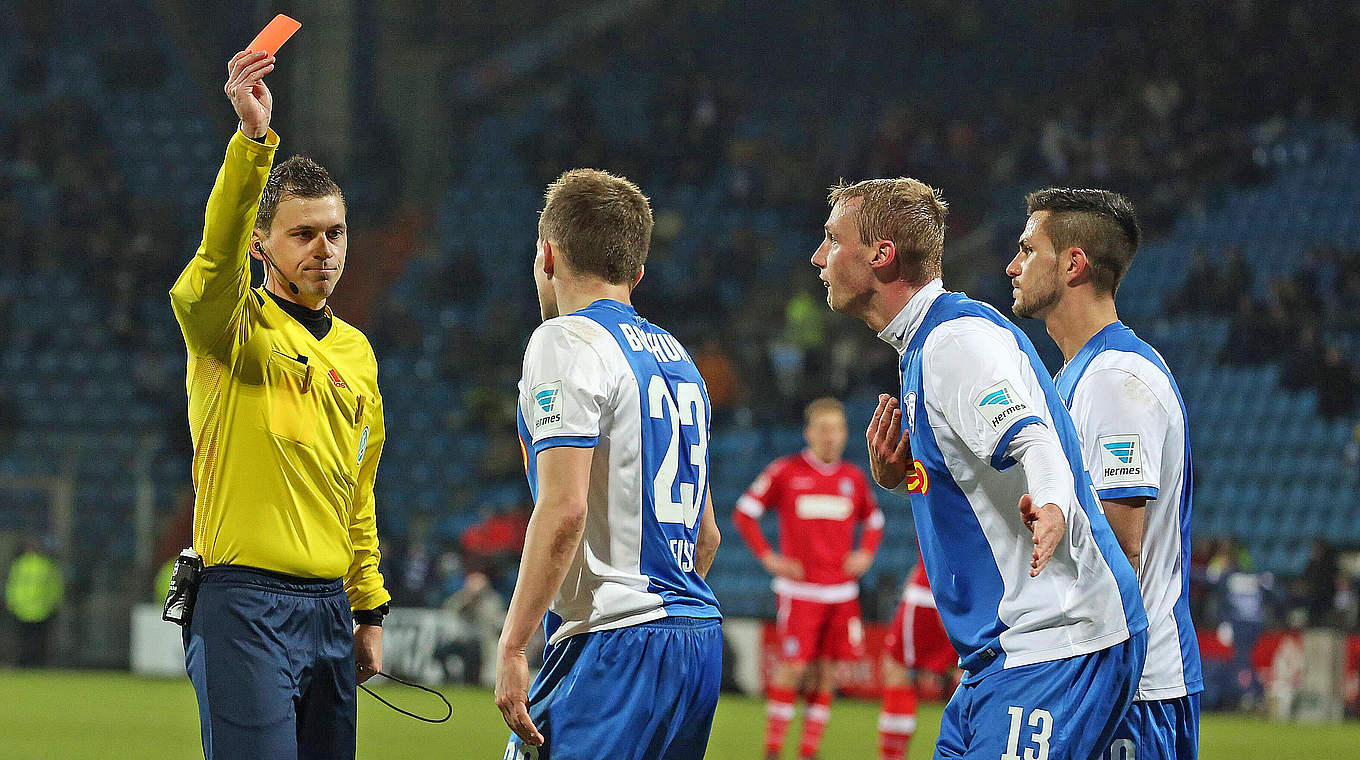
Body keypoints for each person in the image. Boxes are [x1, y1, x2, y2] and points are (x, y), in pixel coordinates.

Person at [811, 178, 1147, 760]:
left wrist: (1050, 503)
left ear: (882, 255)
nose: (819, 257)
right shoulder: (921, 348)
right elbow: (964, 482)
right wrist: (905, 477)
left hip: (1055, 641)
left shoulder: (954, 343)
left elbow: (1032, 441)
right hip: (1000, 657)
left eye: (832, 239)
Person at [168, 50, 389, 759]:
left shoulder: (357, 353)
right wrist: (253, 145)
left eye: (335, 232)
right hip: (242, 606)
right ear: (262, 244)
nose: (324, 249)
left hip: (330, 611)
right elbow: (213, 260)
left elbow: (357, 490)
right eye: (303, 234)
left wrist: (368, 607)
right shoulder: (224, 328)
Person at [496, 169, 724, 760]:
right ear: (636, 273)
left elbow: (564, 508)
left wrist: (514, 646)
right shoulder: (679, 362)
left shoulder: (563, 340)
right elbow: (706, 532)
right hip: (694, 640)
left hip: (617, 645)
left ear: (548, 254)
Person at [1007, 187, 1203, 759]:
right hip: (1100, 673)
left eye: (1028, 248)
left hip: (1132, 689)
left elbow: (1122, 544)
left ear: (1072, 264)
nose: (1012, 266)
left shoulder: (1117, 380)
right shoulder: (1075, 376)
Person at [732, 396, 883, 760]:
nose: (831, 437)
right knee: (793, 667)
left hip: (841, 592)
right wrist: (770, 558)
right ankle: (772, 750)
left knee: (828, 671)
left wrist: (864, 554)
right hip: (800, 591)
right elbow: (744, 513)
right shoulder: (786, 471)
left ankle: (808, 751)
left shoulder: (852, 477)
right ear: (809, 433)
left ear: (846, 434)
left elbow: (875, 520)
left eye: (837, 429)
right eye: (824, 429)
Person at [877, 548, 954, 760]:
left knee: (898, 673)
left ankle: (892, 756)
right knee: (975, 678)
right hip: (976, 599)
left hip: (930, 593)